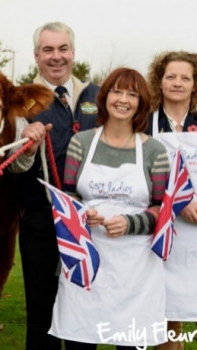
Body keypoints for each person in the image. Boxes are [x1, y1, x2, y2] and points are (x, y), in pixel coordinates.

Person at [50, 67, 170, 350]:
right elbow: (68, 198)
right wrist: (81, 215)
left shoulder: (154, 151)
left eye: (132, 94)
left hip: (136, 271)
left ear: (141, 103)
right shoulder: (81, 143)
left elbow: (161, 210)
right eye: (117, 91)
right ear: (105, 97)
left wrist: (129, 223)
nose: (123, 99)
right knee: (80, 341)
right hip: (86, 262)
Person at [16, 21, 99, 349]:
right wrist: (28, 145)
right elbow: (14, 166)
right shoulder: (20, 100)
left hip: (88, 219)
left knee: (84, 303)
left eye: (63, 49)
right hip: (40, 218)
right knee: (42, 308)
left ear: (73, 53)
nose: (56, 57)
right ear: (36, 55)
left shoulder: (96, 95)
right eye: (48, 50)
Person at [146, 51, 197, 350]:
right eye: (171, 77)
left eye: (185, 78)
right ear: (160, 81)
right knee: (166, 315)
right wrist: (179, 201)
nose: (177, 83)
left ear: (194, 85)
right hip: (163, 232)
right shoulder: (145, 124)